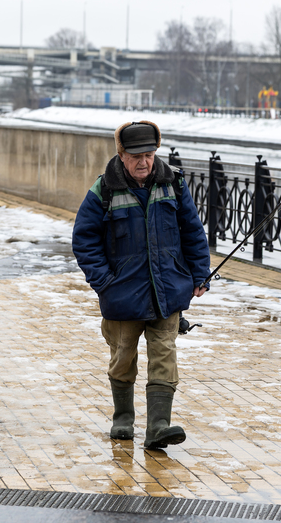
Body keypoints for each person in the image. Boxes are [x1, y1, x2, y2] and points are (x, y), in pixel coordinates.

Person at [72, 120, 211, 450]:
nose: (143, 162)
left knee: (165, 353)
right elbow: (84, 239)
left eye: (149, 155)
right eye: (136, 156)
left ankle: (158, 426)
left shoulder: (173, 184)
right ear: (121, 155)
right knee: (123, 357)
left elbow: (193, 231)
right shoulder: (103, 190)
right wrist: (105, 282)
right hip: (122, 295)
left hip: (168, 291)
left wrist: (199, 274)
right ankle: (123, 418)